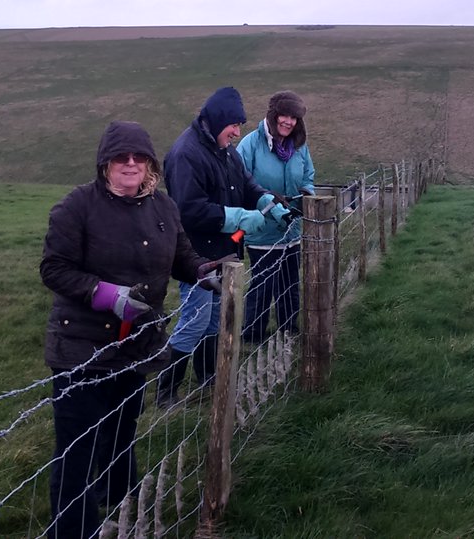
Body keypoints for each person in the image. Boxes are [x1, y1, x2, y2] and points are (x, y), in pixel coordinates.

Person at [39, 120, 220, 539]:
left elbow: (182, 255)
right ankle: (72, 530)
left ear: (151, 163)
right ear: (105, 163)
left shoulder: (163, 207)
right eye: (121, 156)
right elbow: (53, 269)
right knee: (76, 450)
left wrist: (201, 271)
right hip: (81, 348)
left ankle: (124, 509)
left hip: (135, 346)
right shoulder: (77, 206)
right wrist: (104, 294)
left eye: (140, 156)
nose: (131, 163)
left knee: (122, 431)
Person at [157, 86, 290, 407]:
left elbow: (245, 184)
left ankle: (207, 378)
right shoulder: (185, 154)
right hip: (196, 257)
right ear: (216, 120)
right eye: (233, 125)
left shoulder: (225, 150)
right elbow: (187, 209)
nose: (237, 132)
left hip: (224, 253)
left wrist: (268, 203)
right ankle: (165, 393)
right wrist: (239, 218)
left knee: (215, 320)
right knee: (194, 321)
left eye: (240, 126)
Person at [236, 90, 315, 344]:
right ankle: (253, 335)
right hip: (262, 230)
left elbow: (308, 176)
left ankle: (288, 330)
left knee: (290, 284)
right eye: (284, 115)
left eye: (294, 118)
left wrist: (305, 195)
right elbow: (240, 184)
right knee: (263, 286)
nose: (289, 122)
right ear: (273, 115)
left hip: (292, 230)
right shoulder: (250, 144)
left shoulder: (299, 147)